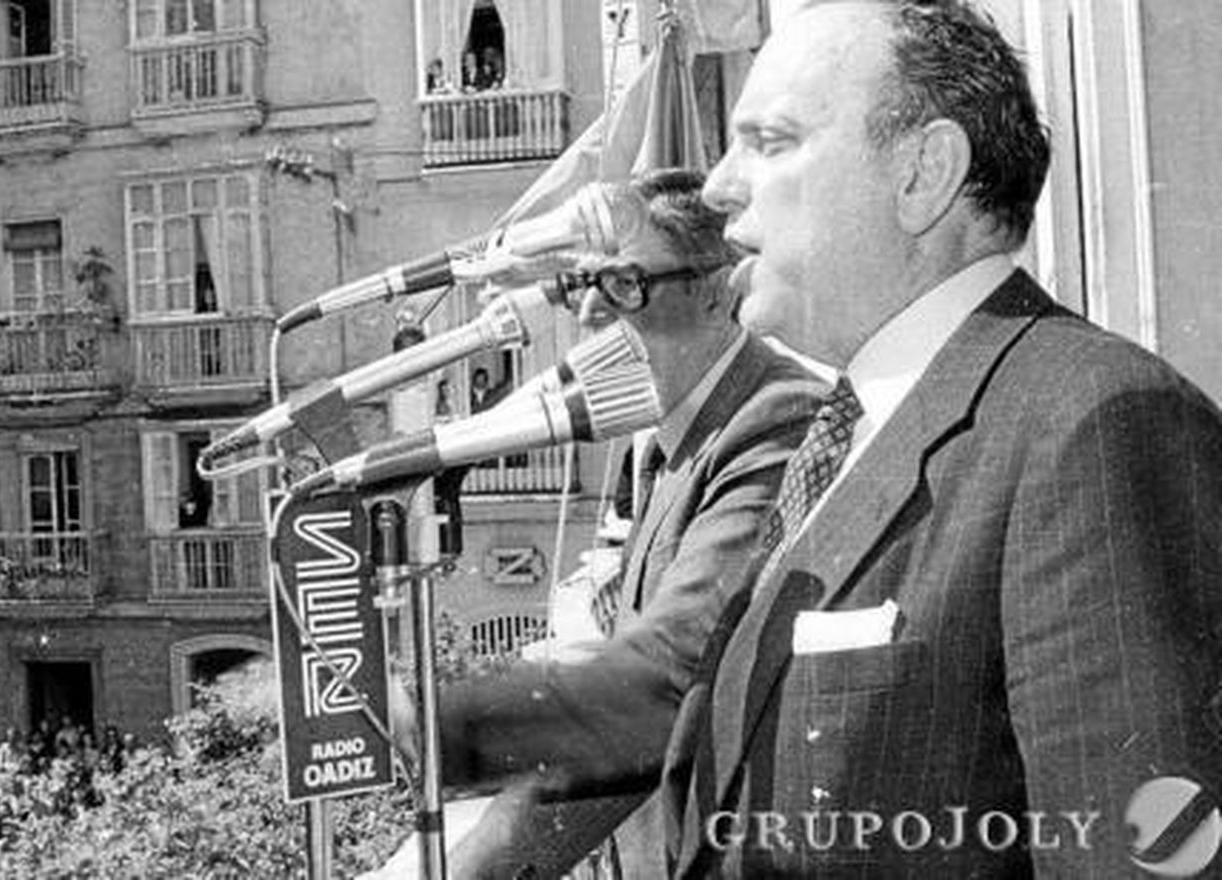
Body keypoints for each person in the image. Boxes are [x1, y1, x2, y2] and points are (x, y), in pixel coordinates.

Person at [430, 2, 1222, 876]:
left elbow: (1143, 851)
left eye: (770, 142)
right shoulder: (845, 430)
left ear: (922, 173)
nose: (721, 185)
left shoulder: (1090, 423)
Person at [380, 170, 825, 878]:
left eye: (623, 283)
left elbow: (661, 685)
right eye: (581, 284)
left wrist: (431, 725)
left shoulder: (778, 419)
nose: (589, 313)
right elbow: (618, 745)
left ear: (718, 288)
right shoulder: (674, 444)